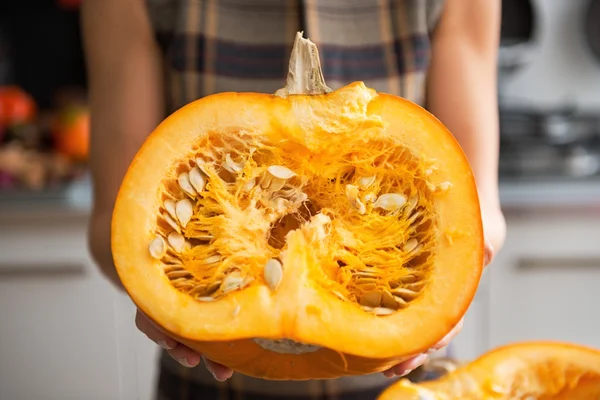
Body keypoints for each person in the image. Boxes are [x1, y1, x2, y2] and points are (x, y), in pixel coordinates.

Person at [82, 0, 506, 398]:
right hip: (207, 383)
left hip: (405, 384)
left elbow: (477, 204)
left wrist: (459, 272)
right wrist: (149, 286)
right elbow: (114, 223)